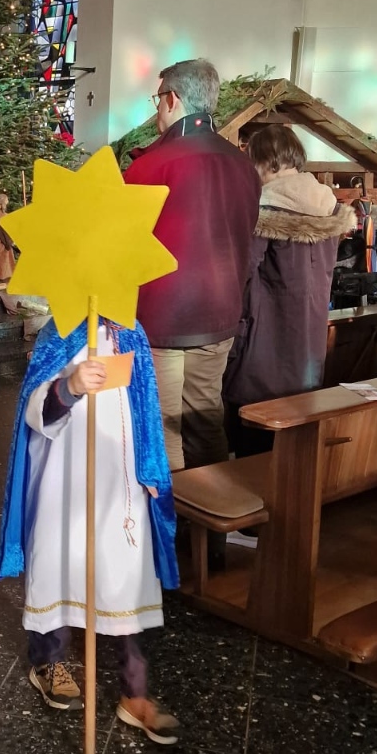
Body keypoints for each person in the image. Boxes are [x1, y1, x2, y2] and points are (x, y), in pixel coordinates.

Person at [0, 314, 181, 741]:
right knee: (58, 564)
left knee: (122, 579)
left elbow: (145, 404)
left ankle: (135, 694)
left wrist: (152, 467)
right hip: (64, 480)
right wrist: (69, 388)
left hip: (120, 481)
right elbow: (34, 410)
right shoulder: (57, 332)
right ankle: (48, 661)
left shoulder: (131, 330)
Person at [123, 59, 260, 471]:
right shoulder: (243, 165)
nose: (157, 109)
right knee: (204, 420)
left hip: (163, 315)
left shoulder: (149, 166)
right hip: (220, 313)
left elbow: (128, 244)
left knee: (165, 428)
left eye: (158, 99)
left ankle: (176, 530)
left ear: (172, 99)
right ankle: (211, 531)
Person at [222, 126, 354, 456]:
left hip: (262, 348)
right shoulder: (327, 206)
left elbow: (238, 277)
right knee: (292, 447)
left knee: (250, 446)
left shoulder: (267, 210)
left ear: (269, 162)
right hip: (307, 346)